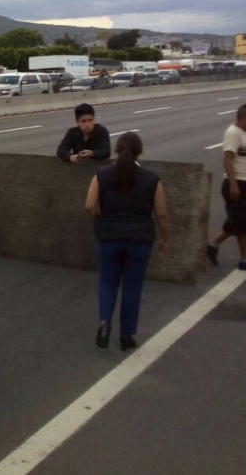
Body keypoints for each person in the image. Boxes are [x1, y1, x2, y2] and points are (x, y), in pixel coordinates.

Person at [85, 132, 171, 351]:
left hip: (108, 237)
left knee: (107, 282)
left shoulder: (101, 175)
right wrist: (165, 239)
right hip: (140, 240)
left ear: (116, 150)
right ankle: (126, 336)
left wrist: (101, 219)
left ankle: (105, 322)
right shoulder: (152, 179)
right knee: (132, 287)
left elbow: (89, 205)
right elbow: (161, 214)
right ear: (139, 152)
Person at [206, 104, 246, 272]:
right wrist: (233, 184)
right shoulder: (233, 133)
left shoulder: (244, 134)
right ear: (244, 118)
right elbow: (228, 159)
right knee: (244, 222)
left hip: (245, 182)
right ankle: (245, 260)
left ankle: (212, 245)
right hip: (238, 182)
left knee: (238, 219)